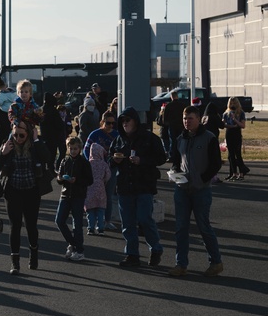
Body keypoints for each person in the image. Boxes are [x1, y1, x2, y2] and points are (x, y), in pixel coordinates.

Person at [168, 106, 224, 277]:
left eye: (190, 118)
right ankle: (181, 264)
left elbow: (216, 163)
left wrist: (202, 179)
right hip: (182, 190)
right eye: (185, 118)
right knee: (181, 227)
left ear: (199, 119)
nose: (187, 121)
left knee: (204, 226)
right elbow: (175, 161)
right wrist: (175, 174)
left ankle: (215, 262)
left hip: (201, 190)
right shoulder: (180, 139)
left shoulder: (209, 138)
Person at [110, 107, 167, 268]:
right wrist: (115, 160)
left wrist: (142, 160)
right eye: (122, 121)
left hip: (144, 185)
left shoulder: (149, 138)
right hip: (124, 186)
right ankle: (132, 254)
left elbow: (161, 157)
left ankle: (155, 248)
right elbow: (109, 159)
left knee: (144, 219)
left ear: (135, 121)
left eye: (128, 120)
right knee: (127, 223)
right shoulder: (119, 140)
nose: (125, 123)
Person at [0, 119, 53, 274]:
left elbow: (47, 158)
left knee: (31, 225)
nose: (18, 139)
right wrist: (2, 152)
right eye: (15, 135)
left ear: (28, 134)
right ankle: (15, 263)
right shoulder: (8, 146)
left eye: (22, 135)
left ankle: (33, 254)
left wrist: (36, 139)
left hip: (32, 191)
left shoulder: (35, 146)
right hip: (13, 191)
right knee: (15, 226)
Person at [54, 136, 93, 261]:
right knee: (59, 221)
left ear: (80, 149)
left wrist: (77, 180)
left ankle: (79, 250)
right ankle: (73, 243)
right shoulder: (65, 161)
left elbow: (90, 180)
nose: (73, 151)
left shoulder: (84, 162)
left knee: (77, 224)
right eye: (71, 148)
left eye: (75, 148)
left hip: (78, 196)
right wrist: (61, 179)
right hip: (65, 195)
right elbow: (59, 178)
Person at [85, 143, 111, 236]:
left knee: (90, 210)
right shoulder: (103, 164)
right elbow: (108, 175)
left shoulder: (88, 164)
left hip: (89, 189)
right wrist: (103, 180)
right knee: (100, 210)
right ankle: (100, 229)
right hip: (101, 189)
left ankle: (90, 228)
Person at [222, 97, 250, 181]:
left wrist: (235, 119)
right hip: (229, 133)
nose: (232, 105)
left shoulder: (241, 113)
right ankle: (233, 173)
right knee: (231, 155)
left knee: (237, 154)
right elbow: (223, 124)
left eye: (234, 103)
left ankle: (241, 173)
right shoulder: (226, 113)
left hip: (237, 134)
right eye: (231, 103)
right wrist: (229, 124)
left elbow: (243, 125)